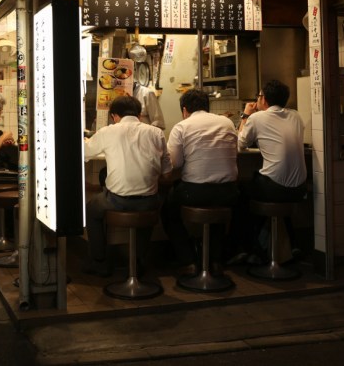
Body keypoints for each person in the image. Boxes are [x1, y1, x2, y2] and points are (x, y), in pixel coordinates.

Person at [82, 95, 173, 277]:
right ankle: (139, 261)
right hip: (149, 202)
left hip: (116, 201)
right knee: (151, 203)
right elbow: (167, 172)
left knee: (91, 209)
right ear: (139, 114)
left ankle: (99, 261)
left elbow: (85, 153)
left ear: (114, 116)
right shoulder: (156, 133)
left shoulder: (108, 131)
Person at [229, 79, 307, 263]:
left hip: (275, 188)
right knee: (273, 191)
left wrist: (245, 115)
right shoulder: (295, 116)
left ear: (263, 99)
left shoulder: (257, 118)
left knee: (240, 193)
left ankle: (244, 249)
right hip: (299, 189)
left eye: (259, 95)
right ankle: (291, 245)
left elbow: (240, 144)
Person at [161, 89, 239, 275]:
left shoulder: (182, 127)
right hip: (229, 191)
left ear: (185, 109)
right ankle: (215, 260)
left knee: (167, 211)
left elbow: (175, 163)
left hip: (195, 192)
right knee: (218, 213)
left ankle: (188, 260)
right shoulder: (227, 123)